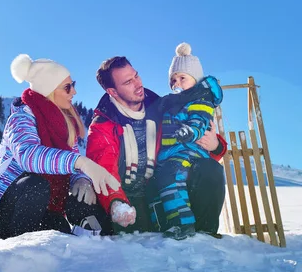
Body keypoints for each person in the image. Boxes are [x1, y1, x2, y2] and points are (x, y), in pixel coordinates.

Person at [0, 54, 120, 239]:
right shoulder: (21, 118)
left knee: (78, 201)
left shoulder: (65, 125)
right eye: (67, 87)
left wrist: (81, 179)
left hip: (43, 208)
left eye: (73, 84)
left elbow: (72, 164)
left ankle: (105, 237)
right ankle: (14, 246)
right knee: (35, 185)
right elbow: (29, 156)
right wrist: (80, 162)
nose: (74, 92)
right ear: (49, 91)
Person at [73, 53, 227, 237]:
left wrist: (216, 146)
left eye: (136, 75)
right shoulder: (104, 123)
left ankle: (204, 239)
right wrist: (116, 201)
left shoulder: (161, 106)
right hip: (126, 195)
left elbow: (187, 140)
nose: (138, 84)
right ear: (113, 92)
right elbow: (105, 168)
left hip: (159, 187)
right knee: (84, 201)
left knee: (210, 169)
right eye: (128, 82)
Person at [149, 42, 224, 240]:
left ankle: (183, 224)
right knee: (164, 179)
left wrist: (190, 132)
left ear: (196, 80)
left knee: (173, 176)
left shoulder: (200, 100)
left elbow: (200, 122)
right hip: (170, 153)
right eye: (173, 79)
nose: (177, 83)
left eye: (182, 78)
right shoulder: (168, 104)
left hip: (189, 150)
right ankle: (171, 222)